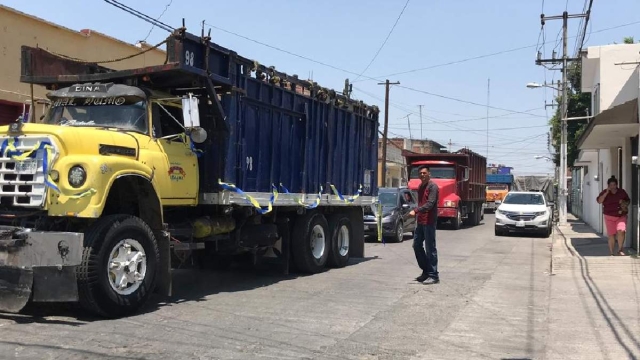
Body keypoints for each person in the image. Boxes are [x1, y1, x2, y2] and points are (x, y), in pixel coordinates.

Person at [409, 165, 440, 284]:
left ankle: (433, 275)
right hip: (420, 221)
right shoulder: (420, 186)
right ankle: (426, 271)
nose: (422, 175)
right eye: (420, 173)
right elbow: (421, 203)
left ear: (429, 174)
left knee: (430, 248)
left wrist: (416, 211)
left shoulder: (433, 187)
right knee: (416, 245)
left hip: (429, 221)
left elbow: (430, 204)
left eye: (424, 173)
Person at [596, 175, 630, 256]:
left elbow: (628, 201)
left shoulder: (622, 192)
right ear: (608, 186)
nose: (612, 187)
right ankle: (611, 252)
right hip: (609, 216)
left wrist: (624, 203)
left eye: (614, 185)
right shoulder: (605, 192)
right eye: (611, 185)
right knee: (611, 235)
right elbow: (599, 201)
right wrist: (606, 193)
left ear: (616, 185)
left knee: (621, 231)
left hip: (621, 215)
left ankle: (620, 249)